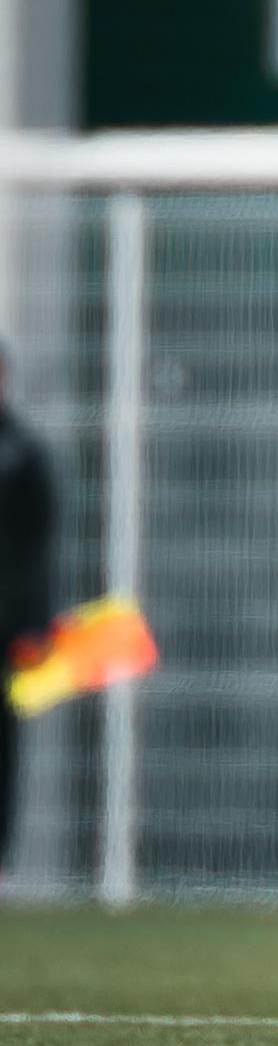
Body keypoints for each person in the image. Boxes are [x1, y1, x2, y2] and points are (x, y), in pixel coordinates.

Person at [0, 340, 56, 879]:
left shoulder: (23, 453)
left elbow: (38, 548)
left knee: (3, 745)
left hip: (6, 624)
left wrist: (34, 624)